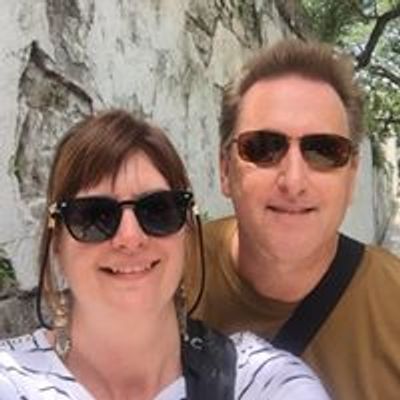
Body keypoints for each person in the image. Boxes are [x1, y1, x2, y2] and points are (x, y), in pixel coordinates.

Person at [0, 110, 329, 399]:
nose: (130, 238)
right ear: (57, 240)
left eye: (157, 210)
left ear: (187, 231)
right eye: (96, 216)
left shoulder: (261, 383)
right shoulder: (10, 381)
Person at [186, 39, 400, 400]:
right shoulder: (160, 275)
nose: (294, 181)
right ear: (225, 170)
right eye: (264, 147)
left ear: (351, 177)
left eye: (324, 150)